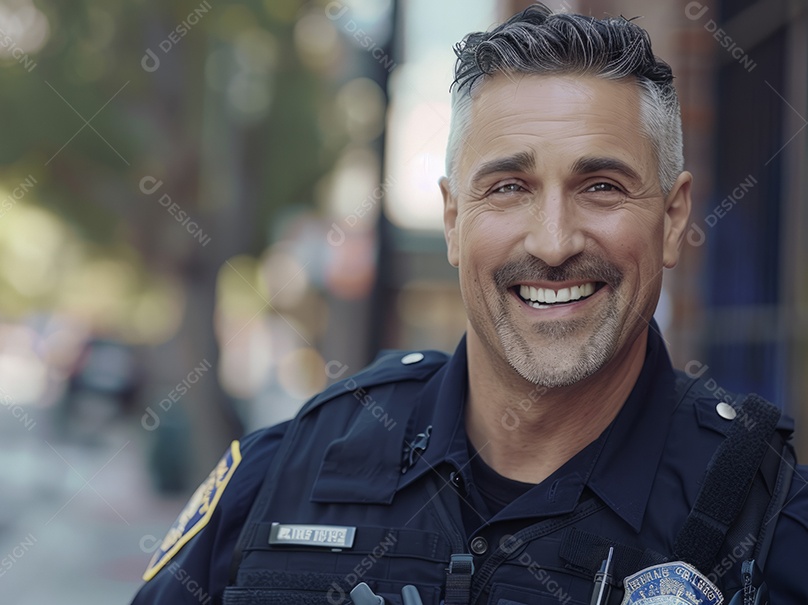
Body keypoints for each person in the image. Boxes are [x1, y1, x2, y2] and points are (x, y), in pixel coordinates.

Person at [131, 4, 808, 604]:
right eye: (510, 186)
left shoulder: (771, 529)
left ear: (673, 214)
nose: (552, 242)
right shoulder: (284, 472)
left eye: (601, 185)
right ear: (453, 219)